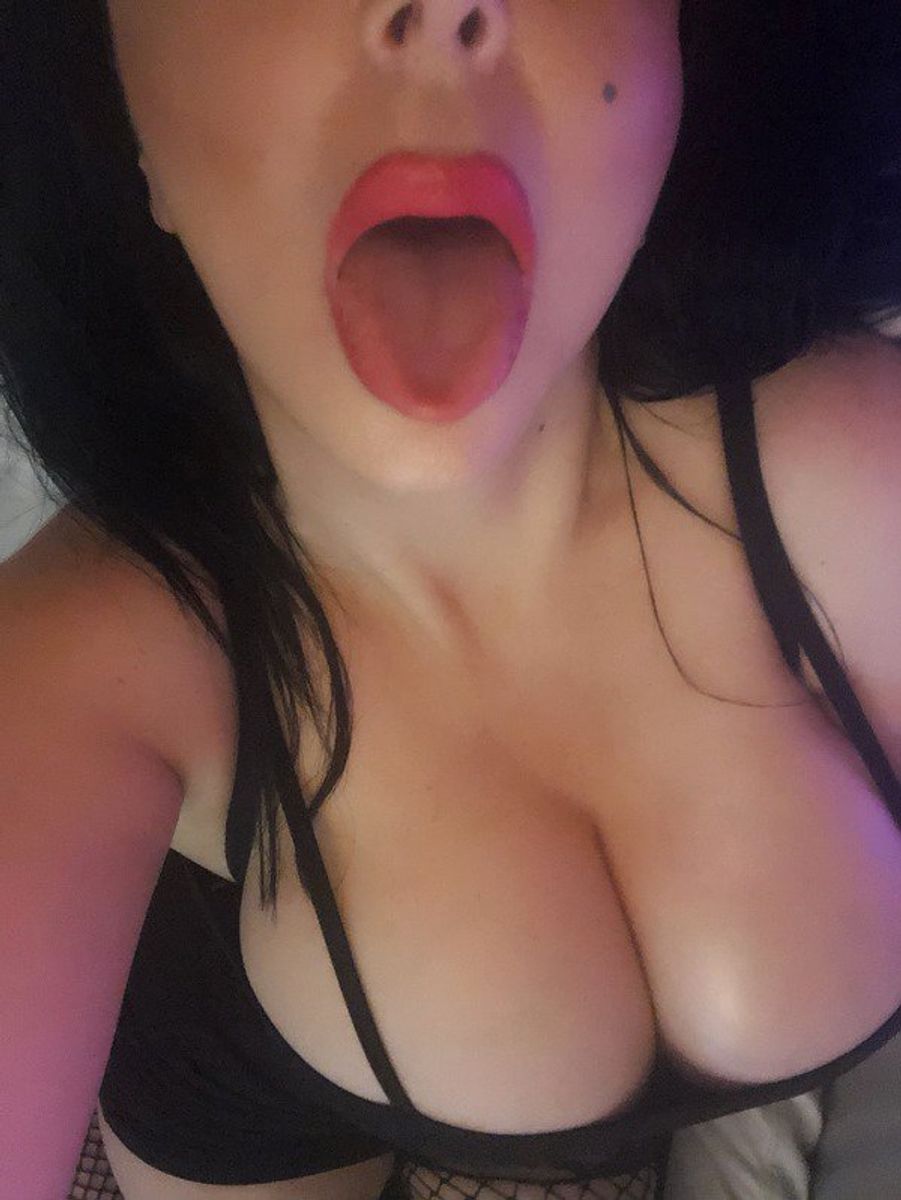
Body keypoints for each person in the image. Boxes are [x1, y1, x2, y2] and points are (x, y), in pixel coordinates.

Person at [2, 2, 900, 1198]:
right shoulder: (72, 669)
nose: (434, 11)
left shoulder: (864, 474)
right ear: (126, 129)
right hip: (247, 1095)